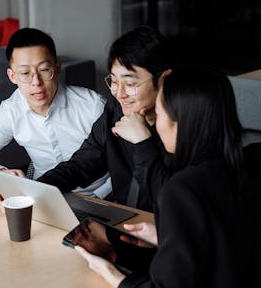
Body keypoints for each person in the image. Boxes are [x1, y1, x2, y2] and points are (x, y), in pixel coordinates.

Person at [75, 65, 261, 288]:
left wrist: (109, 272)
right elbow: (236, 239)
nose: (156, 124)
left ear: (181, 124)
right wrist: (167, 235)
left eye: (159, 115)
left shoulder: (184, 189)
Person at [0, 28, 111, 198]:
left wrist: (98, 198)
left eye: (44, 70)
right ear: (12, 76)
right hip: (41, 197)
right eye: (25, 73)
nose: (36, 82)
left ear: (57, 69)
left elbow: (121, 164)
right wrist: (1, 175)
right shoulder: (11, 110)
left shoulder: (93, 106)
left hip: (98, 196)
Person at [37, 25, 172, 212]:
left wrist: (143, 142)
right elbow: (81, 165)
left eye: (130, 83)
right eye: (114, 82)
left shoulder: (182, 125)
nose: (119, 93)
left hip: (160, 230)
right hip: (122, 220)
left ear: (164, 79)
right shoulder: (114, 112)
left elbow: (169, 202)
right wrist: (36, 190)